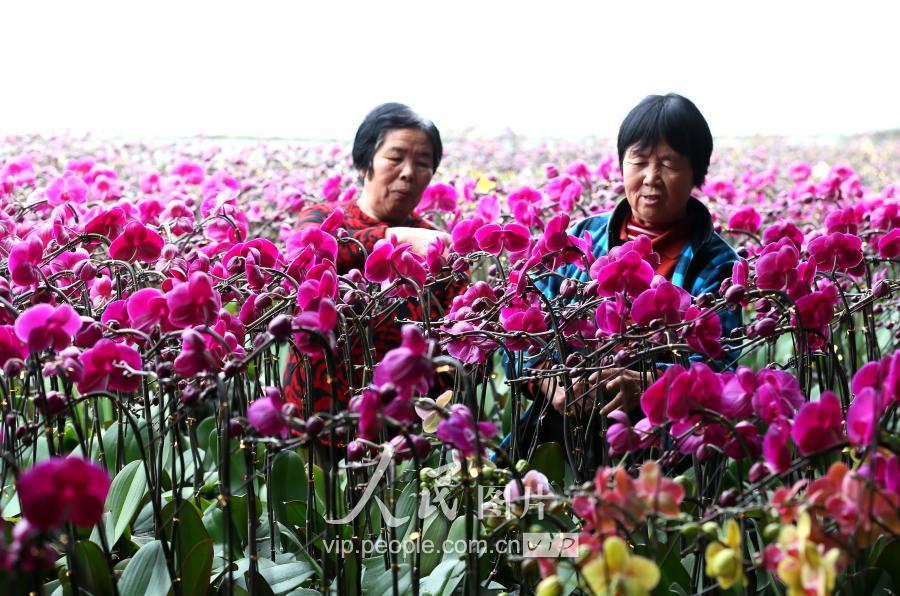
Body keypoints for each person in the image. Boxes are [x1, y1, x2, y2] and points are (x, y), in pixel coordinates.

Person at [509, 93, 740, 460]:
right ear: (621, 164)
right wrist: (544, 375)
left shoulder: (717, 265)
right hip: (556, 435)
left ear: (697, 173)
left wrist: (649, 383)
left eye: (669, 163)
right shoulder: (579, 242)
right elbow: (517, 330)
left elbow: (723, 369)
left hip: (660, 449)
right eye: (640, 160)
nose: (651, 178)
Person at [283, 103, 464, 416]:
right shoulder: (324, 219)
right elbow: (305, 261)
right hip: (320, 414)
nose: (408, 172)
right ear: (365, 162)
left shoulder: (434, 243)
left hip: (404, 420)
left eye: (422, 163)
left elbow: (461, 326)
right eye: (395, 157)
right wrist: (395, 239)